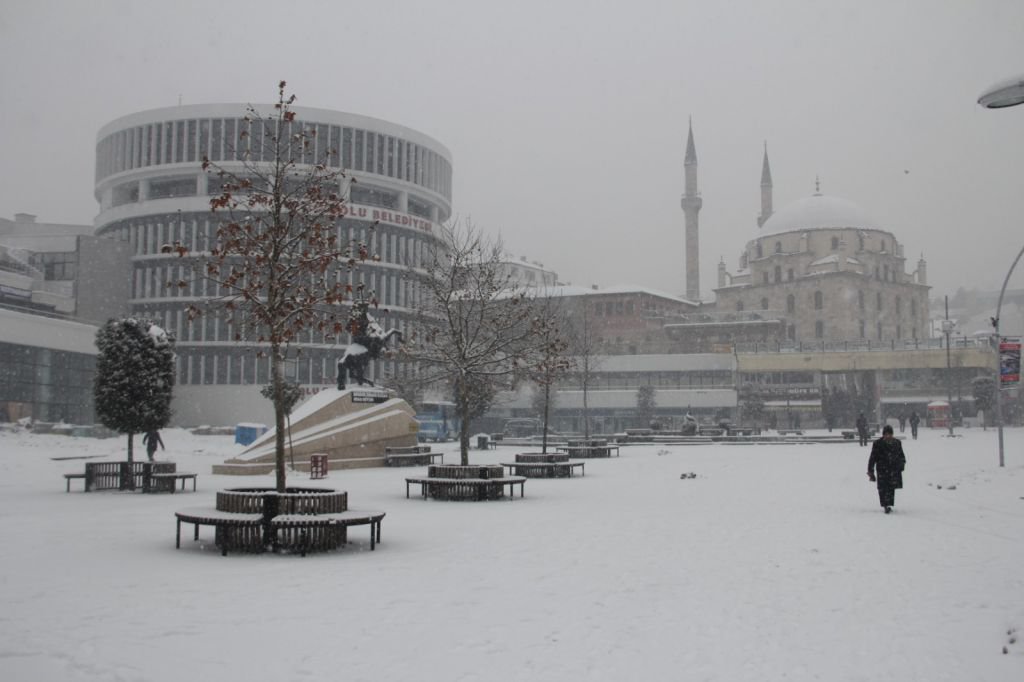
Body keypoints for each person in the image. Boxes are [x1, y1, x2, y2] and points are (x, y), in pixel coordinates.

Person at [867, 424, 906, 514]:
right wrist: (870, 470)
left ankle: (889, 504)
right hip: (882, 469)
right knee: (882, 488)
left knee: (891, 488)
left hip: (893, 469)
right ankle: (885, 505)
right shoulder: (877, 444)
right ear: (883, 434)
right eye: (886, 434)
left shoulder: (897, 443)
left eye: (890, 434)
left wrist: (901, 466)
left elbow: (901, 456)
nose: (888, 436)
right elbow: (872, 458)